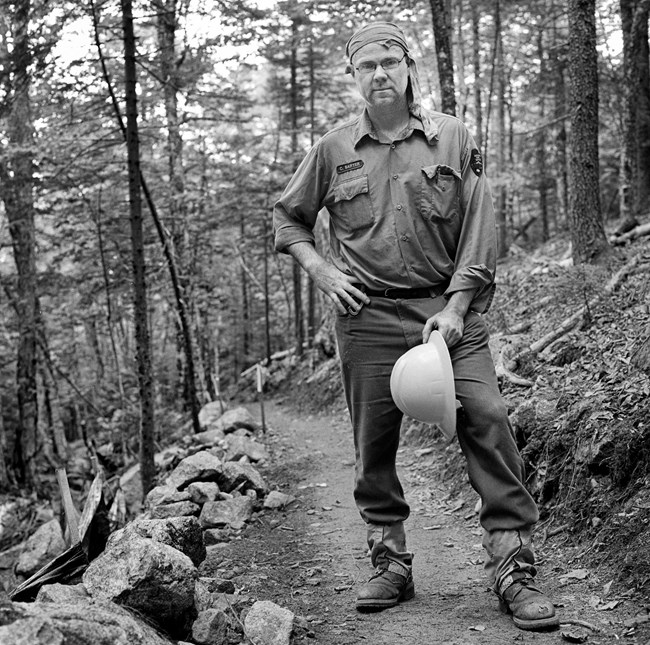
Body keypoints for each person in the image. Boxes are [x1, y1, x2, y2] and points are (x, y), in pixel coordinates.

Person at [273, 21, 558, 632]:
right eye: (366, 66)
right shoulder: (332, 149)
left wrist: (456, 309)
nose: (379, 74)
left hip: (448, 314)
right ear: (353, 77)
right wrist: (322, 272)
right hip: (365, 317)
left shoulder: (451, 136)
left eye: (389, 63)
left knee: (486, 416)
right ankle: (389, 560)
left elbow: (480, 226)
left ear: (408, 69)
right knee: (373, 440)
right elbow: (288, 221)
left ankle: (512, 561)